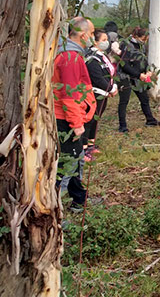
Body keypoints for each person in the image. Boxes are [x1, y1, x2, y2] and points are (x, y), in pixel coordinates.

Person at [53, 17, 97, 213]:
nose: (94, 38)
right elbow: (69, 94)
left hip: (69, 118)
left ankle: (80, 199)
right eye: (93, 34)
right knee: (68, 163)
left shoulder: (71, 54)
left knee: (75, 158)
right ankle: (53, 208)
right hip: (65, 120)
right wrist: (76, 123)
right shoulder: (70, 57)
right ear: (83, 35)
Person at [117, 27, 160, 131]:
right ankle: (122, 126)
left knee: (144, 98)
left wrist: (147, 71)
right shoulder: (125, 45)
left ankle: (150, 120)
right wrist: (138, 75)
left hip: (139, 76)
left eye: (146, 39)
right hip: (125, 77)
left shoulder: (141, 46)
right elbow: (124, 65)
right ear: (135, 36)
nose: (145, 41)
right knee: (124, 101)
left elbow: (143, 60)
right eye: (143, 39)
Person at [83, 28, 118, 161]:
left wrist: (113, 86)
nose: (106, 42)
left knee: (96, 119)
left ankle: (91, 144)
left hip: (104, 93)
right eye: (103, 40)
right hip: (94, 94)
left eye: (106, 40)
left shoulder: (102, 56)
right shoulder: (92, 58)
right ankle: (84, 148)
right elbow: (97, 78)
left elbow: (109, 73)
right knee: (90, 120)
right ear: (95, 42)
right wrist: (110, 88)